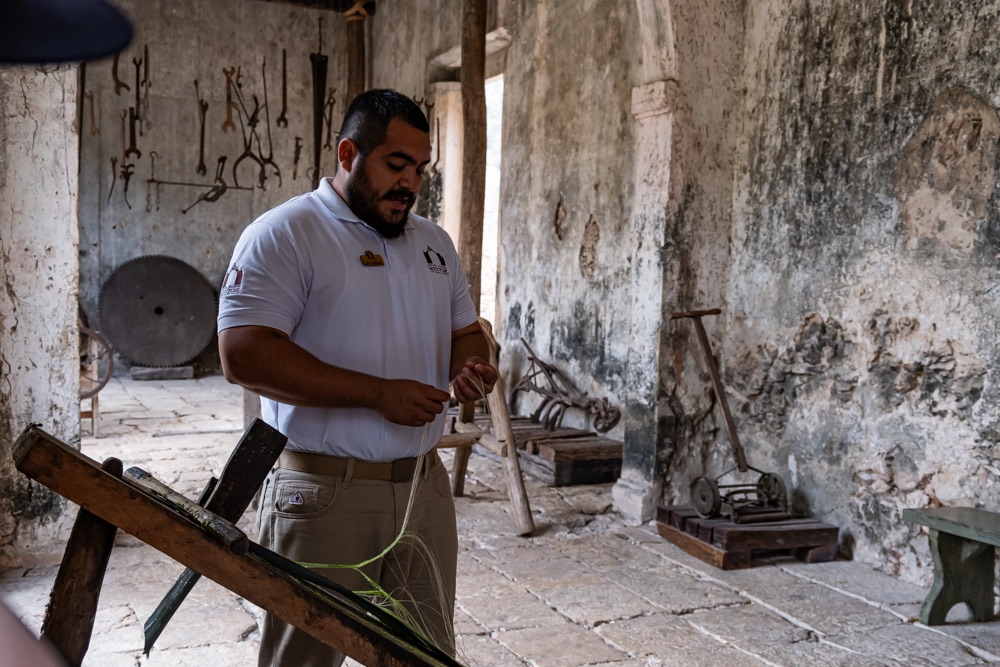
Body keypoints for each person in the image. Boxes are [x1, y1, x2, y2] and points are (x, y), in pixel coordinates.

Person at [217, 88, 497, 667]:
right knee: (303, 660)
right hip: (322, 495)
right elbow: (243, 354)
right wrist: (377, 395)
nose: (410, 183)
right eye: (396, 164)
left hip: (422, 489)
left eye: (419, 168)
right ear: (348, 154)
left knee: (424, 656)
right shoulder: (287, 233)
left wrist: (471, 367)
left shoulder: (434, 244)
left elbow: (466, 333)